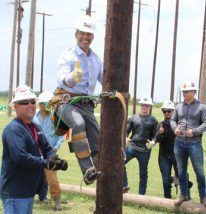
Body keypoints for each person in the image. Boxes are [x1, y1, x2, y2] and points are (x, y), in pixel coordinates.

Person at [0, 85, 68, 214]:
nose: (30, 105)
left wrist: (57, 161)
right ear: (15, 106)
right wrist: (46, 163)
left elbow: (47, 149)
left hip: (27, 190)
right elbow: (21, 157)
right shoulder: (14, 129)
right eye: (24, 102)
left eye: (32, 101)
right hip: (15, 191)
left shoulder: (36, 128)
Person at [56, 15, 103, 185]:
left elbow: (106, 80)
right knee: (78, 124)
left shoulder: (96, 59)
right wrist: (72, 78)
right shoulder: (67, 56)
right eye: (82, 33)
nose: (85, 37)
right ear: (76, 34)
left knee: (97, 138)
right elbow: (62, 79)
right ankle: (87, 171)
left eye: (89, 34)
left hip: (87, 106)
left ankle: (102, 170)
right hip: (66, 103)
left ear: (93, 37)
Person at [170, 81, 206, 206]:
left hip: (194, 144)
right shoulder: (178, 106)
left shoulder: (202, 107)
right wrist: (175, 129)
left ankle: (203, 197)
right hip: (179, 143)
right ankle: (183, 195)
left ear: (193, 92)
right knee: (181, 171)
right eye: (183, 92)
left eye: (186, 91)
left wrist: (195, 131)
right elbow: (173, 120)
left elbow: (205, 123)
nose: (184, 93)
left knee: (199, 172)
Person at [33, 91, 65, 210]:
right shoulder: (32, 116)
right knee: (34, 176)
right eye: (45, 103)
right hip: (34, 152)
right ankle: (38, 197)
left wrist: (56, 147)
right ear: (40, 104)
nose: (47, 105)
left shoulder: (55, 117)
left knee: (52, 178)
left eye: (49, 103)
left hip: (49, 152)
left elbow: (61, 134)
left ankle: (57, 202)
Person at [156, 101, 192, 199]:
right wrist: (160, 133)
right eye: (165, 111)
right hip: (164, 156)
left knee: (182, 177)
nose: (167, 113)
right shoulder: (160, 125)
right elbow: (157, 141)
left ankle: (187, 197)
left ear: (173, 111)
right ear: (163, 112)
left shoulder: (180, 124)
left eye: (169, 111)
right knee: (166, 179)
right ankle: (167, 199)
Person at [123, 95, 158, 194]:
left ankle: (141, 196)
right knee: (121, 163)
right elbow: (126, 131)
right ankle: (124, 187)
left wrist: (153, 142)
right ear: (140, 105)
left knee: (143, 173)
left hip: (145, 150)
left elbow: (155, 135)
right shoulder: (133, 118)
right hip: (131, 147)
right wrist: (125, 138)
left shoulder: (153, 120)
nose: (145, 107)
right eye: (143, 105)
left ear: (150, 107)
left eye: (147, 105)